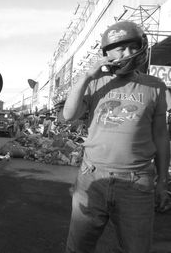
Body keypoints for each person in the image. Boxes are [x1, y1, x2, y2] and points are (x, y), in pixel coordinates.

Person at [63, 20, 170, 253]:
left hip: (137, 183)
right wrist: (86, 77)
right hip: (92, 177)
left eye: (134, 47)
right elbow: (69, 115)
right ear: (107, 53)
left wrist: (162, 181)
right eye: (120, 48)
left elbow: (161, 136)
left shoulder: (156, 86)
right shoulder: (96, 84)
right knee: (77, 248)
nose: (128, 54)